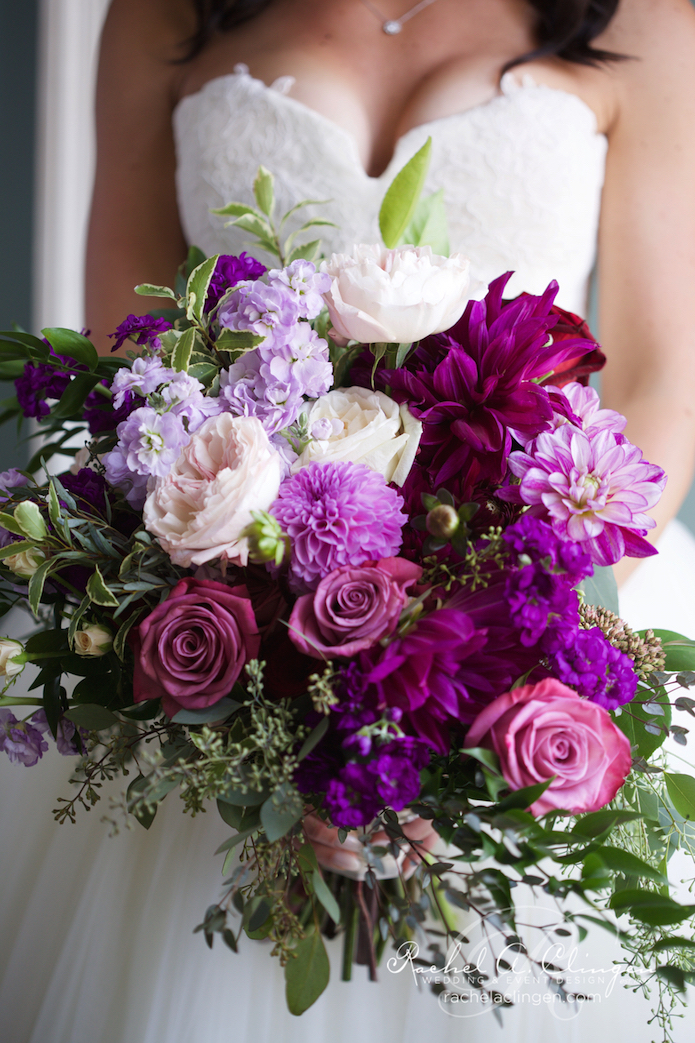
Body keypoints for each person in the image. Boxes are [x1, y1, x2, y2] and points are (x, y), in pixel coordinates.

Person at [3, 1, 695, 1040]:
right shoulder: (162, 14)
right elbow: (134, 366)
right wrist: (267, 663)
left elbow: (657, 373)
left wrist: (500, 661)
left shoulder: (647, 17)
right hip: (230, 608)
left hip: (538, 590)